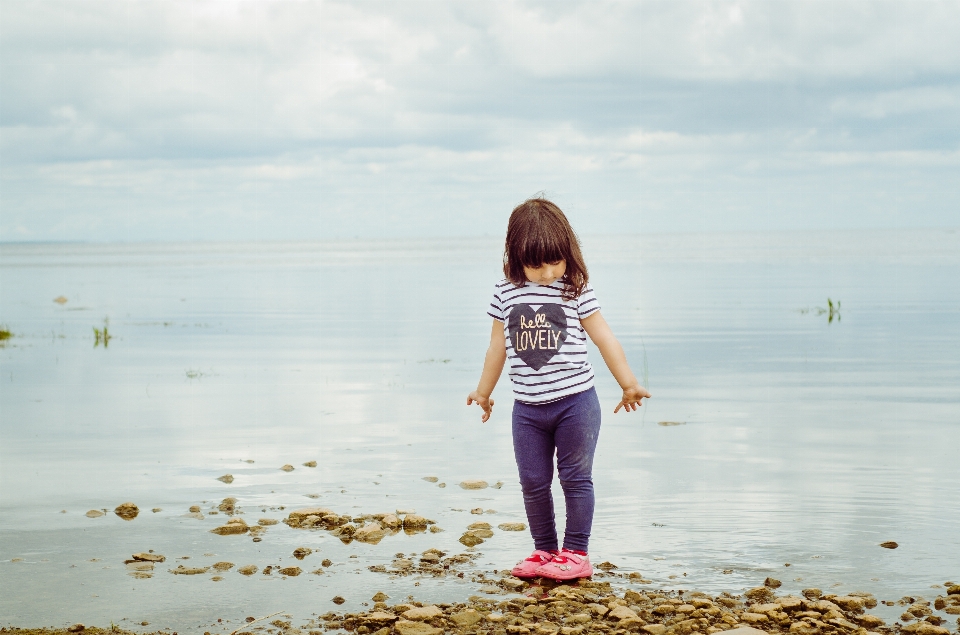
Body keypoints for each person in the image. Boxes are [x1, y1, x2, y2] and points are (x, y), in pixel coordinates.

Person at [467, 197, 651, 581]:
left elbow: (604, 338)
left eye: (556, 261)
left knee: (575, 478)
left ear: (569, 253)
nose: (548, 272)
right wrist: (484, 392)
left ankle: (576, 553)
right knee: (533, 481)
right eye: (536, 264)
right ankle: (544, 551)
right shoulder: (506, 292)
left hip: (576, 404)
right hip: (528, 409)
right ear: (516, 257)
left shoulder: (575, 290)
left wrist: (628, 383)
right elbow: (496, 347)